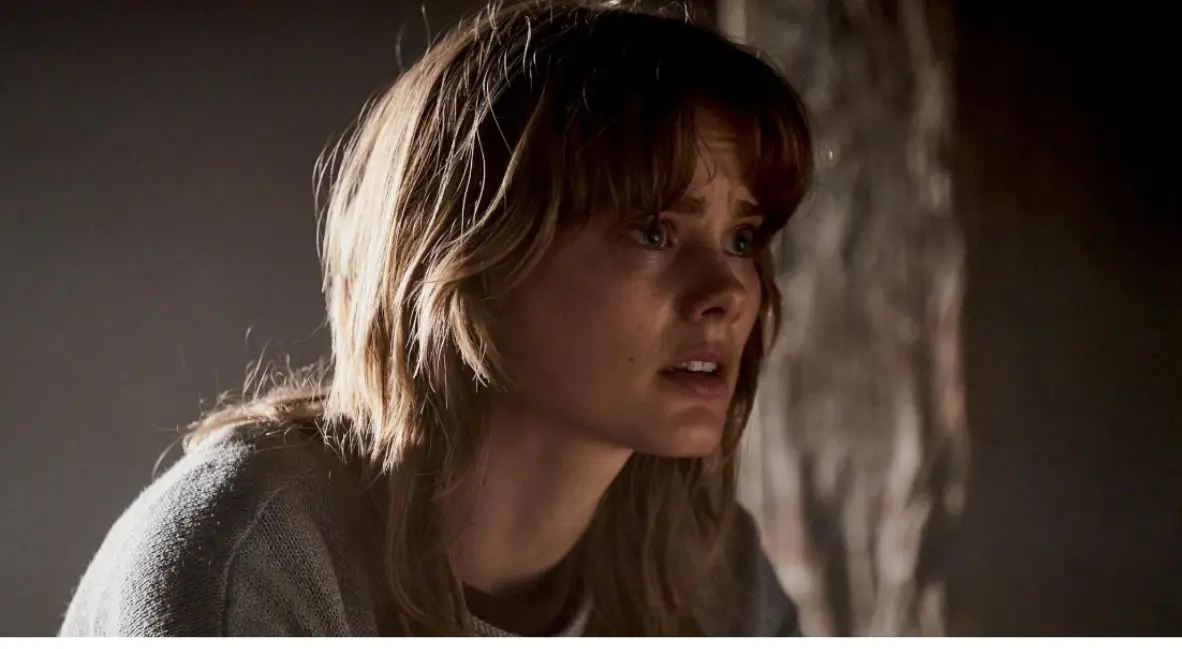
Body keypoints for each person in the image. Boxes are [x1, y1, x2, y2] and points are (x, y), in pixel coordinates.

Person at [60, 0, 813, 637]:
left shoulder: (713, 572)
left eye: (742, 238)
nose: (729, 291)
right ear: (476, 254)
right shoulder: (260, 553)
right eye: (652, 231)